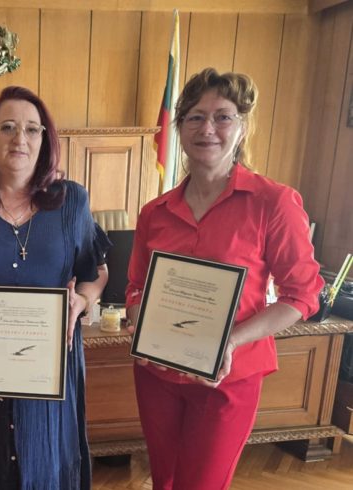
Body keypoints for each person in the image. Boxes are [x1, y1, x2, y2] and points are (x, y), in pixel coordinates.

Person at [125, 68, 324, 490]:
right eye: (195, 117)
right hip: (158, 375)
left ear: (242, 126)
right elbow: (136, 287)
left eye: (222, 117)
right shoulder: (154, 213)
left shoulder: (273, 203)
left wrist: (230, 342)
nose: (207, 129)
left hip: (228, 379)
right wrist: (143, 323)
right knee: (165, 481)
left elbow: (303, 295)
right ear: (180, 128)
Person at [0, 86, 109, 490]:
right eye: (7, 127)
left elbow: (96, 272)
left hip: (51, 372)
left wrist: (82, 300)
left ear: (45, 139)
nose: (19, 138)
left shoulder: (72, 201)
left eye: (31, 128)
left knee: (48, 467)